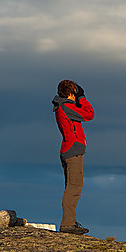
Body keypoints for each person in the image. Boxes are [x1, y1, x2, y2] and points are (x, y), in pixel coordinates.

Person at [52, 79, 95, 234]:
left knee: (71, 186)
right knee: (74, 187)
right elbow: (89, 114)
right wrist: (82, 98)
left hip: (68, 149)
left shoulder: (61, 106)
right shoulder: (66, 106)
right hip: (73, 150)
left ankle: (70, 221)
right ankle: (68, 224)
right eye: (74, 93)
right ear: (70, 93)